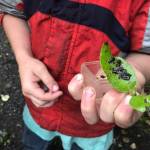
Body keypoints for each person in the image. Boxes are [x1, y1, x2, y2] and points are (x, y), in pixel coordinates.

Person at [0, 0, 150, 150]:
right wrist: (24, 58)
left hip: (95, 123)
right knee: (33, 143)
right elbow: (11, 9)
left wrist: (134, 72)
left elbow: (145, 50)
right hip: (39, 108)